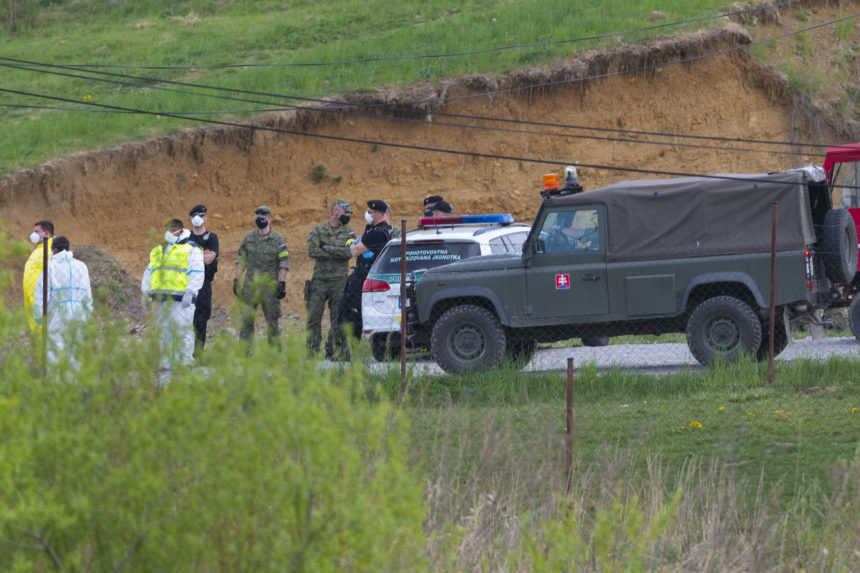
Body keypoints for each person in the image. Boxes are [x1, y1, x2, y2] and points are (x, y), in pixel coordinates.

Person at [329, 199, 393, 359]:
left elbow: (355, 251)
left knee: (348, 314)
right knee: (355, 315)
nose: (368, 215)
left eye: (371, 213)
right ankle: (353, 351)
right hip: (366, 278)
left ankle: (349, 352)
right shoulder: (376, 230)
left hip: (364, 279)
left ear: (380, 214)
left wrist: (352, 243)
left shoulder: (378, 232)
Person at [141, 219, 205, 374]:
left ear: (181, 230)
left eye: (173, 229)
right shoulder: (158, 250)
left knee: (183, 331)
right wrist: (145, 293)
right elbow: (150, 272)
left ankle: (184, 363)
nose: (169, 232)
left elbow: (197, 271)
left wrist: (191, 291)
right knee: (162, 331)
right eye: (168, 229)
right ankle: (165, 363)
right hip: (160, 300)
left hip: (181, 300)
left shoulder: (191, 249)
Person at [32, 236, 92, 367]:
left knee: (55, 349)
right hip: (78, 314)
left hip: (57, 315)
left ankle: (55, 384)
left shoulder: (50, 267)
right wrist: (87, 315)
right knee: (76, 348)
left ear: (54, 249)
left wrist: (38, 317)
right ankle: (74, 383)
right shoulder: (82, 266)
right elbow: (88, 295)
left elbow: (40, 294)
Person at [234, 206, 289, 346]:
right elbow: (241, 260)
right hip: (250, 286)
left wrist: (281, 283)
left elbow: (283, 262)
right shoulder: (248, 238)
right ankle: (244, 355)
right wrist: (236, 280)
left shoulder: (278, 239)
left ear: (270, 219)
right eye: (257, 217)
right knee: (247, 321)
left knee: (272, 322)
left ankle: (274, 355)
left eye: (263, 217)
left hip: (270, 287)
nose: (260, 219)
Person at [306, 199, 354, 355]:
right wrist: (337, 251)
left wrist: (327, 248)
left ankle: (333, 350)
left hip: (339, 281)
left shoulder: (349, 232)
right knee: (313, 317)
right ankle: (312, 351)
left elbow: (349, 252)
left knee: (338, 318)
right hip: (320, 280)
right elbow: (312, 251)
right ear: (336, 211)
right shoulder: (318, 230)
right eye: (346, 213)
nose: (348, 216)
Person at [181, 204, 219, 357]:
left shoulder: (211, 237)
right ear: (191, 218)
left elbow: (210, 259)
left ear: (206, 217)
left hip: (204, 285)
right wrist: (201, 257)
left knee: (201, 321)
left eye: (202, 215)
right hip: (187, 284)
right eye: (196, 215)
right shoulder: (185, 238)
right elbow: (182, 259)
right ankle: (184, 355)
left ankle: (197, 356)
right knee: (185, 321)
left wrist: (193, 257)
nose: (198, 218)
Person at [23, 220, 55, 331]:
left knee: (44, 333)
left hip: (41, 300)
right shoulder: (39, 249)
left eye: (37, 232)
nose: (33, 235)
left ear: (46, 234)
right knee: (36, 334)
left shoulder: (52, 249)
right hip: (31, 299)